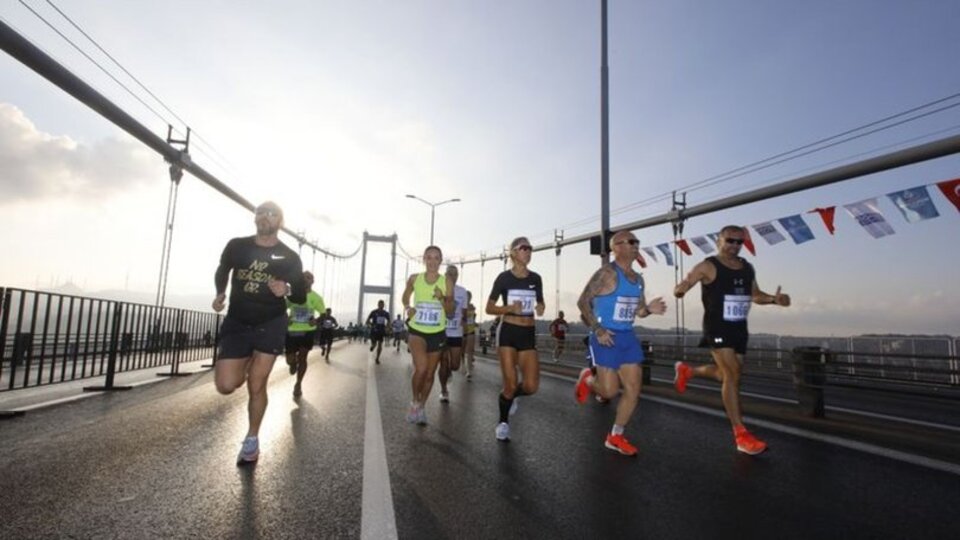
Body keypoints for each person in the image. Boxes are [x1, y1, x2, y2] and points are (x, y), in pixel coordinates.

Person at [673, 225, 791, 455]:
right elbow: (687, 281)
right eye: (730, 240)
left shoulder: (747, 267)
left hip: (739, 328)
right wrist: (681, 289)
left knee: (726, 374)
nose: (735, 245)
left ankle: (689, 371)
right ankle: (741, 434)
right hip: (717, 327)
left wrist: (775, 300)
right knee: (732, 374)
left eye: (739, 242)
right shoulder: (708, 265)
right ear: (719, 241)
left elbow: (755, 295)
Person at [212, 201, 306, 465]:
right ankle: (245, 365)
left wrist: (286, 289)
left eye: (273, 213)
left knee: (257, 384)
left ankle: (252, 440)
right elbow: (222, 271)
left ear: (281, 222)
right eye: (261, 212)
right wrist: (220, 292)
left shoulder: (289, 257)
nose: (266, 216)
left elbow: (299, 293)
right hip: (238, 321)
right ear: (255, 218)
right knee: (226, 385)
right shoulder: (236, 246)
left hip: (271, 322)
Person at [573, 231, 667, 456]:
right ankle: (587, 378)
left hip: (627, 337)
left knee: (634, 389)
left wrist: (649, 310)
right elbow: (582, 301)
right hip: (606, 335)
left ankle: (616, 435)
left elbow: (639, 311)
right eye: (631, 242)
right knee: (609, 391)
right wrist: (598, 329)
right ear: (616, 247)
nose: (636, 245)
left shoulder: (638, 279)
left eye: (637, 242)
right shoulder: (606, 273)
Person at [487, 236, 545, 442]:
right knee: (509, 385)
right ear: (512, 253)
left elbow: (541, 303)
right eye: (523, 248)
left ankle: (513, 398)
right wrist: (509, 308)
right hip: (509, 332)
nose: (528, 252)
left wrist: (540, 307)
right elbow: (489, 307)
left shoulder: (536, 278)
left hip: (528, 334)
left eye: (530, 248)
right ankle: (503, 422)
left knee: (531, 386)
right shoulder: (504, 278)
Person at [401, 245, 454, 425]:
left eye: (436, 258)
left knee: (430, 374)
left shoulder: (446, 281)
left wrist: (441, 298)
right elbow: (405, 296)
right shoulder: (415, 279)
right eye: (429, 257)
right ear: (424, 259)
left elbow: (450, 310)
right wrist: (408, 307)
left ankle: (422, 407)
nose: (432, 261)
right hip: (417, 331)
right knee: (421, 368)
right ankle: (415, 402)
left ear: (441, 261)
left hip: (437, 333)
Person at [285, 271, 325, 397]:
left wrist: (316, 321)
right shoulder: (292, 294)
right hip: (292, 330)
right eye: (303, 277)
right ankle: (292, 363)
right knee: (290, 359)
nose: (305, 280)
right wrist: (286, 317)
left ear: (312, 281)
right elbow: (282, 307)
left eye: (308, 278)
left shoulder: (316, 297)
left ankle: (298, 384)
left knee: (303, 358)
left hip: (308, 331)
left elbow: (323, 313)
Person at [439, 265, 468, 402]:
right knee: (443, 362)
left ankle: (448, 372)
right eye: (450, 273)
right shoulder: (440, 289)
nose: (452, 276)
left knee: (455, 365)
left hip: (456, 332)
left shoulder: (463, 292)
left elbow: (464, 312)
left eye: (455, 273)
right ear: (445, 275)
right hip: (442, 332)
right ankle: (444, 390)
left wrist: (464, 321)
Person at [366, 300, 391, 364]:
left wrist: (387, 327)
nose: (381, 306)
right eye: (380, 304)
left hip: (381, 330)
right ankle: (373, 346)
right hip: (374, 330)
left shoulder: (385, 313)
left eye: (382, 304)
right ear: (378, 305)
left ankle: (377, 358)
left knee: (380, 344)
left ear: (383, 305)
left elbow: (389, 321)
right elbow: (367, 321)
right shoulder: (374, 312)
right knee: (374, 344)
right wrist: (370, 325)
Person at [462, 291, 478, 380]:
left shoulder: (472, 307)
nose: (468, 298)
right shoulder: (460, 306)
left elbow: (472, 318)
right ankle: (461, 362)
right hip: (462, 331)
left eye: (469, 297)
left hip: (471, 331)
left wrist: (475, 323)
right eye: (467, 297)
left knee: (470, 351)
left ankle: (469, 371)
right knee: (462, 351)